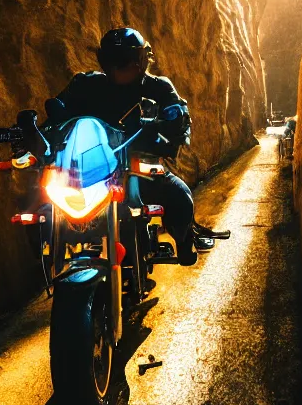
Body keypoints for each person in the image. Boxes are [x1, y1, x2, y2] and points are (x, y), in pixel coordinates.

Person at [43, 27, 205, 265]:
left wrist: (174, 125)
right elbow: (57, 117)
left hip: (139, 166)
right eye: (111, 60)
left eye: (124, 60)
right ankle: (50, 258)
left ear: (140, 60)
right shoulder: (85, 84)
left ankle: (183, 240)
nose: (118, 67)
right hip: (94, 171)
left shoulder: (158, 87)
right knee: (42, 205)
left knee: (180, 196)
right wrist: (41, 132)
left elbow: (178, 115)